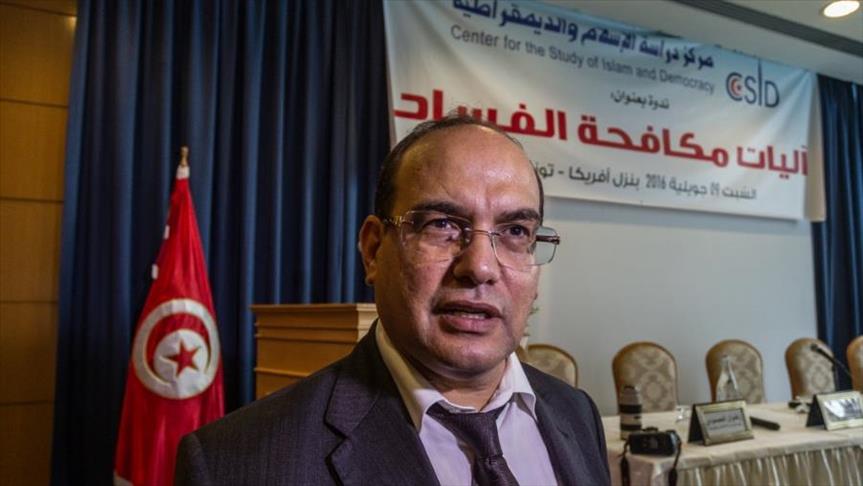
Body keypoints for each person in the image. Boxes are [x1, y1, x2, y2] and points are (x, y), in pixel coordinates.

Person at [175, 114, 610, 486]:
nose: (480, 267)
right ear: (373, 250)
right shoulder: (236, 463)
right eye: (442, 224)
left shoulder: (576, 413)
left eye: (515, 231)